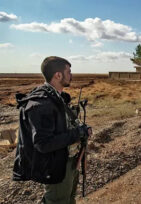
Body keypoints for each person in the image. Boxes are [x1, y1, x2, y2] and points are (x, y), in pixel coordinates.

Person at [13, 56, 92, 204]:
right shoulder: (42, 103)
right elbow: (43, 143)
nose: (71, 75)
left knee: (68, 200)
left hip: (69, 162)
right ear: (58, 75)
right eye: (68, 71)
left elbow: (63, 127)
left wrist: (81, 129)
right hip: (56, 167)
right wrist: (78, 133)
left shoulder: (57, 98)